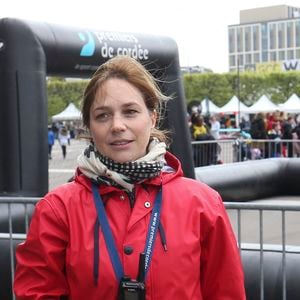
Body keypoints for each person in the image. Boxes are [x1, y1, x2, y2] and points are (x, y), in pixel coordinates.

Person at [14, 56, 246, 299]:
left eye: (130, 112)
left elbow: (226, 291)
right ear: (90, 126)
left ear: (152, 117)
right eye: (103, 115)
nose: (117, 125)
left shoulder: (203, 204)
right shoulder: (57, 209)